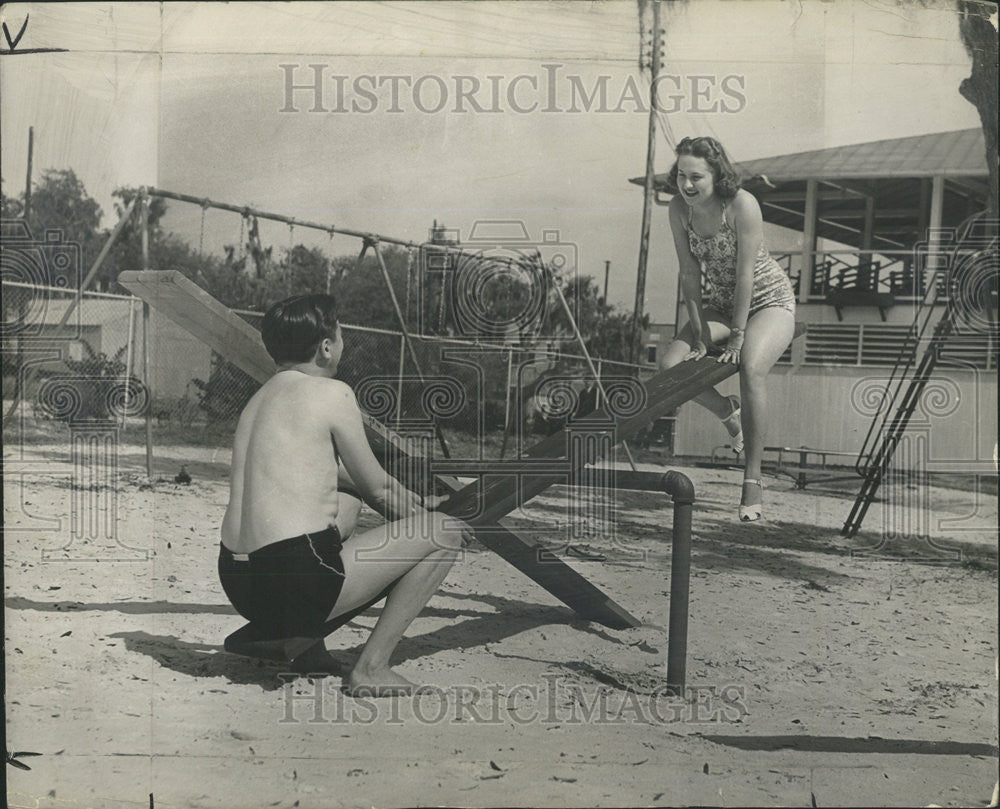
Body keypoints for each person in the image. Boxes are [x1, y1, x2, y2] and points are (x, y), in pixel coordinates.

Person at [219, 293, 472, 696]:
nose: (342, 344)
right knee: (446, 534)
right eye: (340, 336)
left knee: (347, 501)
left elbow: (341, 477)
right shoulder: (333, 393)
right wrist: (429, 524)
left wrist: (419, 505)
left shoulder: (258, 400)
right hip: (293, 584)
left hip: (239, 582)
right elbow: (380, 488)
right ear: (325, 346)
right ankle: (371, 668)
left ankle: (309, 653)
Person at [659, 136, 796, 521]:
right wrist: (701, 333)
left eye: (696, 177)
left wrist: (737, 335)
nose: (687, 185)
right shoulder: (678, 210)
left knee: (750, 367)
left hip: (768, 300)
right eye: (682, 176)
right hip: (720, 302)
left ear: (716, 174)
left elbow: (746, 274)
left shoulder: (741, 205)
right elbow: (688, 273)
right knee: (670, 365)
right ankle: (725, 410)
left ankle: (752, 479)